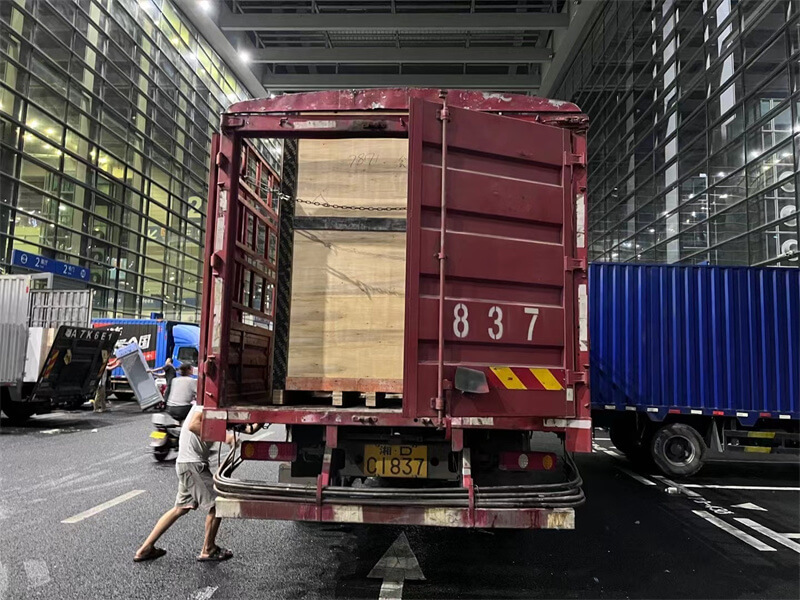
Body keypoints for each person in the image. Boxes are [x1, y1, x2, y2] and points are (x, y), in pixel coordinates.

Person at [134, 404, 235, 563]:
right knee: (217, 505)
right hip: (192, 465)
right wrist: (226, 437)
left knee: (179, 509)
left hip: (186, 464)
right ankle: (208, 549)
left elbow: (242, 428)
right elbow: (194, 425)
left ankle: (145, 549)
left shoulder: (213, 406)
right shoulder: (205, 403)